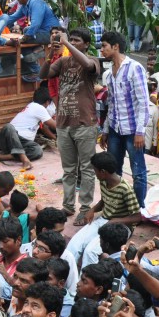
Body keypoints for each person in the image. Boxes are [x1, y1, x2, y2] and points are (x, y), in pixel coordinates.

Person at [44, 27, 101, 225]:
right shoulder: (62, 61)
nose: (73, 42)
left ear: (86, 44)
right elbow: (44, 75)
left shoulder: (93, 60)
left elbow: (87, 65)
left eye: (77, 40)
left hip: (85, 123)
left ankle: (85, 208)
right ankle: (68, 206)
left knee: (86, 168)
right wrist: (51, 53)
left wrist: (67, 43)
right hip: (63, 123)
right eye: (72, 40)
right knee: (68, 169)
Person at [101, 31, 150, 206]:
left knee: (138, 171)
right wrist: (106, 130)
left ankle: (139, 207)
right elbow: (111, 104)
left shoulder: (134, 68)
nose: (102, 50)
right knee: (114, 168)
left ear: (116, 47)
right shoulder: (109, 72)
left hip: (132, 130)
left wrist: (140, 132)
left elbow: (143, 102)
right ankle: (119, 205)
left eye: (104, 46)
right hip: (115, 128)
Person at [0, 89, 56, 171]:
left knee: (38, 150)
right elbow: (55, 125)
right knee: (8, 127)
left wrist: (54, 138)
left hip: (22, 144)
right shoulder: (39, 108)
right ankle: (24, 159)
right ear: (47, 102)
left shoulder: (33, 106)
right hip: (10, 141)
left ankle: (6, 157)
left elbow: (43, 127)